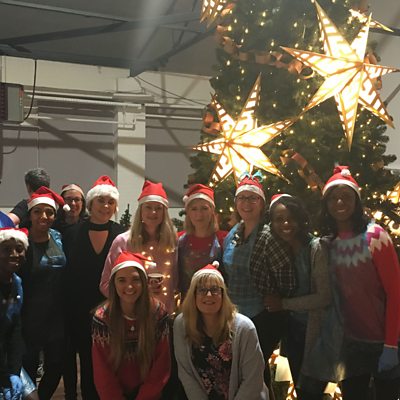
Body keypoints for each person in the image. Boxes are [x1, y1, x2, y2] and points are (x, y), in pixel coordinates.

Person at [308, 166, 400, 400]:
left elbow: (395, 291)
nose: (340, 202)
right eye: (334, 197)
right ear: (326, 203)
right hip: (350, 344)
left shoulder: (375, 236)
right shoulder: (329, 244)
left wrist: (391, 345)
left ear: (356, 201)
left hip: (383, 341)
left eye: (346, 196)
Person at [63, 175, 124, 400]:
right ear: (90, 203)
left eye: (110, 202)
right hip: (78, 311)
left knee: (110, 363)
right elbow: (67, 276)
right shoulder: (71, 234)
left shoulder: (122, 235)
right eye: (101, 201)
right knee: (87, 362)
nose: (106, 206)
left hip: (112, 310)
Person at [264, 195, 331, 399]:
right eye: (279, 219)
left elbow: (324, 297)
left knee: (312, 393)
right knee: (302, 393)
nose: (286, 224)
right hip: (292, 333)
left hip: (316, 334)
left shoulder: (316, 248)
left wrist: (284, 304)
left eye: (291, 218)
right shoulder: (278, 249)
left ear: (300, 219)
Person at [174, 261, 269, 399]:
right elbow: (186, 373)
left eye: (215, 289)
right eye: (202, 290)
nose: (208, 295)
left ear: (223, 294)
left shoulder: (244, 328)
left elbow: (252, 380)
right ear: (193, 295)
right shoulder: (181, 324)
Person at [92, 251, 171, 399]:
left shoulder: (158, 313)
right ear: (114, 284)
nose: (129, 286)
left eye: (135, 279)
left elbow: (161, 365)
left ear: (144, 282)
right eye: (122, 280)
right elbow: (103, 371)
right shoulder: (103, 319)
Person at [18, 187, 68, 400]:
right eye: (38, 211)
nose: (44, 216)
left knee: (57, 365)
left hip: (56, 315)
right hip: (29, 315)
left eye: (49, 212)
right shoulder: (21, 241)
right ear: (30, 214)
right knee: (28, 365)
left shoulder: (58, 237)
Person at [100, 180, 177, 314]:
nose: (153, 212)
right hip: (131, 316)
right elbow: (105, 285)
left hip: (164, 316)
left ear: (164, 212)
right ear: (140, 210)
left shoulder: (172, 243)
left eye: (158, 208)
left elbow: (176, 283)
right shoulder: (123, 242)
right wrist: (136, 294)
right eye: (148, 207)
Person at [0, 227, 39, 400]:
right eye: (6, 249)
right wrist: (5, 376)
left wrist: (14, 372)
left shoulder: (16, 283)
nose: (14, 254)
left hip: (6, 358)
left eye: (19, 249)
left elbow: (15, 329)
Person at [178, 184, 227, 297]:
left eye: (204, 208)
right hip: (187, 302)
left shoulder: (224, 239)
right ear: (188, 212)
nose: (199, 214)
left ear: (212, 211)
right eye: (194, 209)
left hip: (215, 301)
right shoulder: (178, 240)